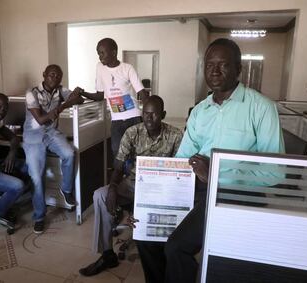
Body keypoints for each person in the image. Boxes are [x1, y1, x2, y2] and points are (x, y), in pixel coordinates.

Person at [134, 38, 285, 283]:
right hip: (197, 189)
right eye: (209, 64)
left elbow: (275, 172)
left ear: (238, 69)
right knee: (145, 234)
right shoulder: (199, 111)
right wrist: (149, 202)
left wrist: (214, 173)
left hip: (235, 194)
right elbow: (182, 160)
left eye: (223, 64)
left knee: (176, 247)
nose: (214, 71)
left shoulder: (262, 108)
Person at [79, 96, 183, 277]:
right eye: (145, 114)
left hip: (162, 189)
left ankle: (163, 255)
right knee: (100, 195)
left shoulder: (175, 136)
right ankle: (107, 254)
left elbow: (180, 173)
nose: (149, 119)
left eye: (154, 115)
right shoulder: (132, 132)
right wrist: (112, 186)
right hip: (134, 184)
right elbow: (119, 165)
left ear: (163, 115)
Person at [23, 64, 84, 234]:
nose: (55, 78)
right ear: (44, 75)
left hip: (51, 133)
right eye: (51, 75)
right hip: (33, 136)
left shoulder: (60, 90)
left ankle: (65, 190)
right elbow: (41, 119)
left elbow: (79, 100)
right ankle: (40, 216)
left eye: (58, 76)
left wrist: (72, 97)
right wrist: (64, 105)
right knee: (37, 176)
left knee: (69, 153)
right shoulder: (31, 93)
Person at [81, 38, 149, 157]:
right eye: (98, 53)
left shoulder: (127, 68)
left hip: (133, 116)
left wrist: (148, 116)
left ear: (113, 52)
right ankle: (123, 174)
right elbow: (100, 95)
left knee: (136, 152)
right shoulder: (100, 67)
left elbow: (142, 93)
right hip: (116, 119)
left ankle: (132, 175)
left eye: (102, 52)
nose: (100, 56)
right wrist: (82, 92)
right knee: (117, 152)